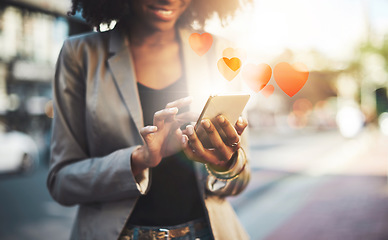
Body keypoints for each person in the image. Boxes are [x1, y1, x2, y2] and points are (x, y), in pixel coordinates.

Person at [47, 0, 251, 239]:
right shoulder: (80, 54)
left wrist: (224, 165)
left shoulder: (220, 53)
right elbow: (61, 182)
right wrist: (138, 160)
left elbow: (242, 178)